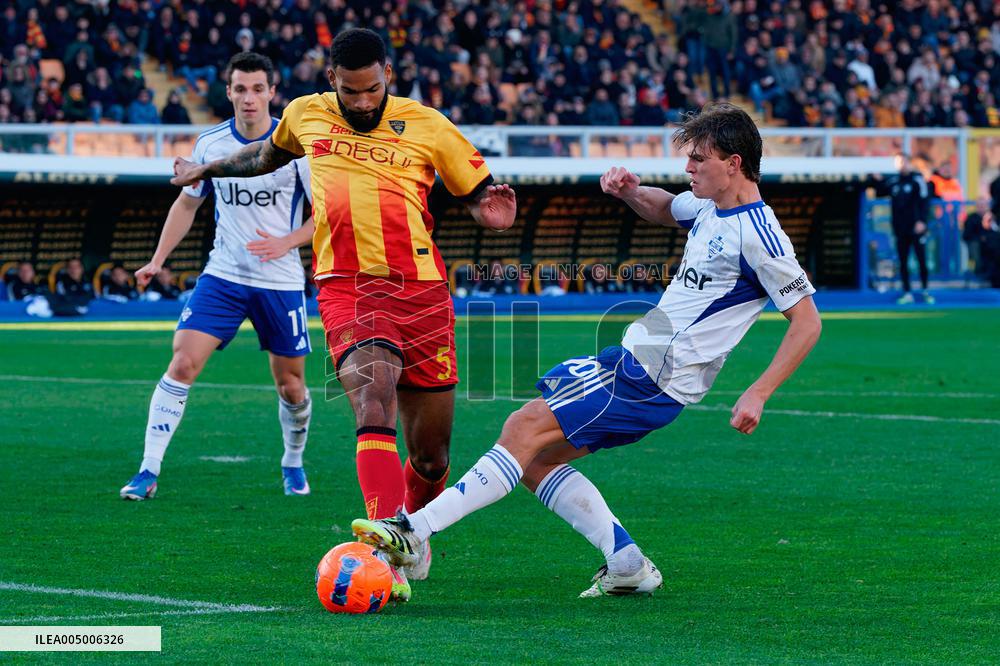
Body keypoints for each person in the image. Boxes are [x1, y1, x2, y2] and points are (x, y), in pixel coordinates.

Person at [350, 102, 822, 599]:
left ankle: (412, 530)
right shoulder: (710, 207)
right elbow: (665, 207)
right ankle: (627, 564)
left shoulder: (761, 236)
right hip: (638, 365)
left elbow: (807, 321)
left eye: (699, 159)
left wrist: (760, 392)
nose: (688, 168)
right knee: (536, 460)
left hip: (653, 376)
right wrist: (630, 191)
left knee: (523, 427)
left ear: (735, 163)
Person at [169, 29, 516, 601]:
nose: (361, 102)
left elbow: (477, 191)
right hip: (347, 287)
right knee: (371, 394)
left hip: (422, 293)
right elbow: (263, 156)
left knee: (431, 457)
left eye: (372, 90)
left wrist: (490, 210)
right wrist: (206, 171)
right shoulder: (305, 115)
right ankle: (386, 551)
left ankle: (411, 529)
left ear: (388, 76)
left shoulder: (427, 124)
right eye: (351, 92)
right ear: (332, 80)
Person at [119, 52, 316, 503]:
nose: (249, 98)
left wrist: (287, 242)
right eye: (241, 89)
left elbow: (325, 216)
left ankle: (292, 461)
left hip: (281, 279)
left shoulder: (297, 145)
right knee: (182, 362)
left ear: (272, 92)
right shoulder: (209, 145)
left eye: (257, 89)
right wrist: (156, 259)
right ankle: (148, 469)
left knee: (290, 384)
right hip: (223, 275)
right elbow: (186, 204)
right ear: (228, 92)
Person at [873, 154, 934, 304]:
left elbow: (925, 201)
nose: (902, 165)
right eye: (899, 162)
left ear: (910, 163)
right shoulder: (894, 181)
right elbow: (879, 191)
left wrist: (922, 221)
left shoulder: (917, 180)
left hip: (917, 227)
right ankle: (907, 292)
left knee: (921, 259)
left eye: (904, 162)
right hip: (900, 229)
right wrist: (876, 179)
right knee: (903, 261)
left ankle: (925, 291)